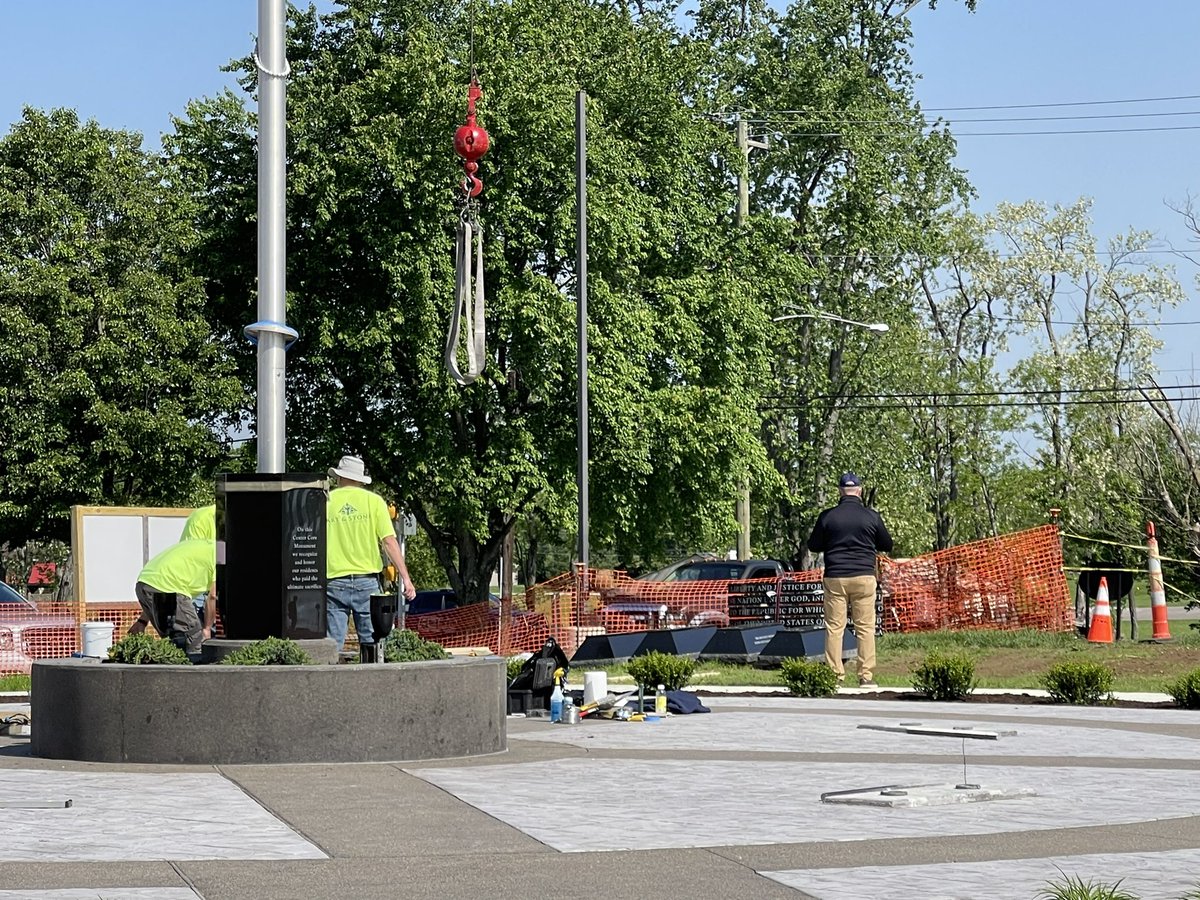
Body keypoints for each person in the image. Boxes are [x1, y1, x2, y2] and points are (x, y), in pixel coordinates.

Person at [806, 472, 893, 687]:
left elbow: (814, 545)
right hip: (864, 576)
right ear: (860, 491)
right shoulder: (871, 516)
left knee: (835, 628)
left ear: (840, 491)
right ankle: (866, 676)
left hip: (835, 577)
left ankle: (835, 676)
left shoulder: (827, 516)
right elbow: (887, 544)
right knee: (865, 628)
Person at [326, 455, 416, 651]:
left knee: (332, 645)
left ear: (339, 477)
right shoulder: (374, 502)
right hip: (366, 582)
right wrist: (406, 578)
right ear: (360, 479)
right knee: (372, 643)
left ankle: (331, 679)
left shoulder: (326, 501)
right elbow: (389, 542)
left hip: (333, 580)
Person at [128, 538, 216, 653]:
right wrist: (207, 629)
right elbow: (213, 595)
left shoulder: (204, 546)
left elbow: (157, 587)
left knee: (174, 641)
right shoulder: (218, 556)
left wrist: (142, 621)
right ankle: (194, 669)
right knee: (194, 637)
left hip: (144, 584)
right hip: (170, 588)